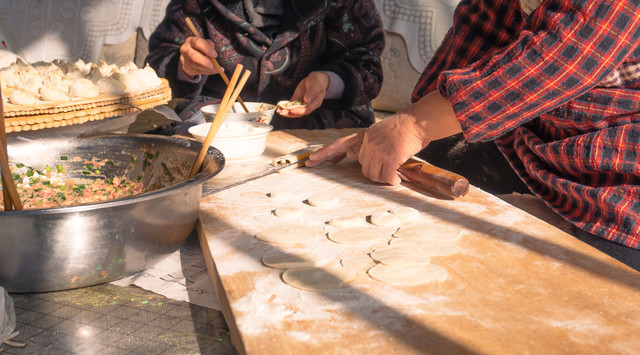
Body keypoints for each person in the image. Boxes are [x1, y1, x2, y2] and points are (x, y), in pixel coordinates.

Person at [306, 0, 640, 268]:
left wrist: (415, 125)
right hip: (535, 147)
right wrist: (396, 132)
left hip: (617, 181)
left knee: (584, 291)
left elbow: (560, 54)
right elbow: (478, 32)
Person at [145, 0, 384, 134]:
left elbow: (366, 67)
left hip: (320, 117)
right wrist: (185, 66)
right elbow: (156, 67)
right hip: (222, 117)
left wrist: (327, 82)